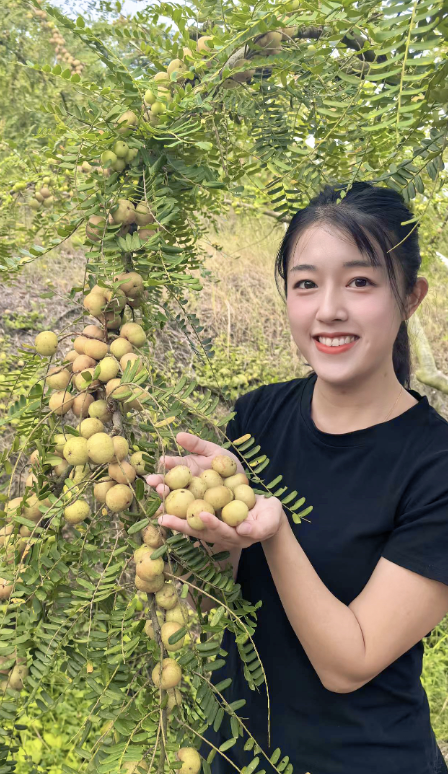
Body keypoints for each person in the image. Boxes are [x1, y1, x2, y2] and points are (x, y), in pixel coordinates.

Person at [146, 181, 448, 774]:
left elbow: (349, 663)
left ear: (410, 297)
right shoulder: (256, 417)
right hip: (234, 754)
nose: (328, 309)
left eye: (360, 282)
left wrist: (275, 531)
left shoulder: (435, 463)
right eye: (306, 283)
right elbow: (229, 596)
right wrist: (210, 533)